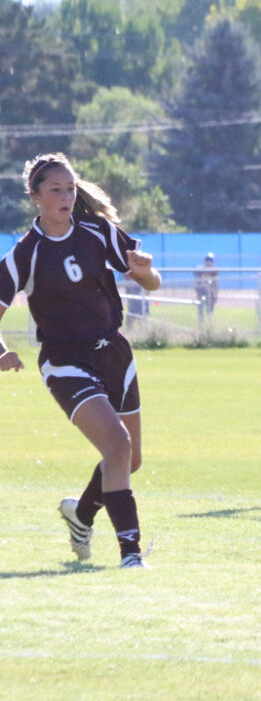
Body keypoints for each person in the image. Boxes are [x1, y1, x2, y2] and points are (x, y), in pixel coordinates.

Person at [0, 152, 162, 569]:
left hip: (115, 353)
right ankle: (131, 554)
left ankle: (81, 514)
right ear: (35, 196)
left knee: (130, 458)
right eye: (56, 189)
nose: (66, 196)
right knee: (118, 445)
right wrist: (2, 351)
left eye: (70, 188)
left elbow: (152, 281)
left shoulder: (97, 231)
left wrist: (144, 273)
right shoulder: (26, 253)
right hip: (65, 362)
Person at [194, 252, 218, 324]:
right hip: (202, 291)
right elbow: (197, 281)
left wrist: (215, 294)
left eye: (210, 260)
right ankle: (201, 323)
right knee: (201, 308)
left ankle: (209, 322)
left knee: (209, 310)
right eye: (208, 260)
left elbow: (214, 283)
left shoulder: (213, 271)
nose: (209, 262)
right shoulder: (200, 270)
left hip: (210, 292)